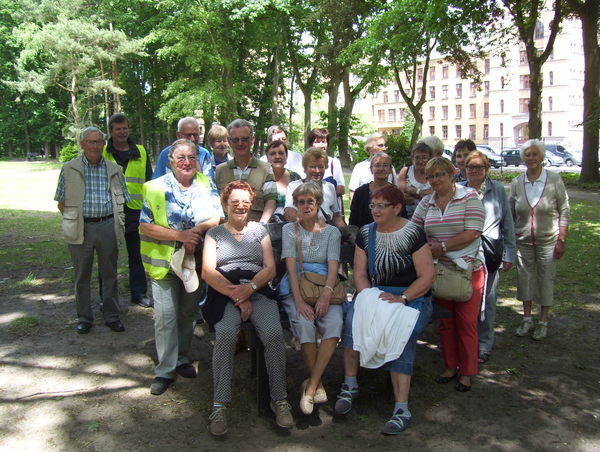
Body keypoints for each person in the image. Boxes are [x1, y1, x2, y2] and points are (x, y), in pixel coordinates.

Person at [335, 186, 435, 435]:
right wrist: (369, 298)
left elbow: (426, 276)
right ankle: (350, 386)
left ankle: (402, 409)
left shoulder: (413, 233)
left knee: (400, 330)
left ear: (398, 208)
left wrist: (402, 298)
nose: (375, 210)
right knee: (351, 322)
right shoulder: (366, 234)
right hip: (374, 293)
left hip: (411, 295)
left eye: (381, 205)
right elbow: (359, 273)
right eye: (373, 205)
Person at [201, 181, 293, 435]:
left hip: (258, 290)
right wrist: (238, 295)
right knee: (227, 335)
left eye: (245, 202)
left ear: (251, 204)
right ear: (226, 203)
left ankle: (279, 399)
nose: (240, 206)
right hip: (225, 294)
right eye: (235, 201)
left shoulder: (259, 231)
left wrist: (249, 289)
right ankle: (219, 404)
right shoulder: (215, 234)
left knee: (273, 334)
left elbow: (270, 269)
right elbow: (208, 272)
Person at [139, 139, 222, 396]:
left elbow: (217, 216)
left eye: (191, 157)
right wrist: (180, 236)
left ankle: (182, 359)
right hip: (163, 265)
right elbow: (145, 225)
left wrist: (195, 232)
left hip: (194, 263)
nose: (187, 162)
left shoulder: (206, 183)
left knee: (187, 314)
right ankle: (164, 370)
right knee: (165, 318)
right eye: (181, 158)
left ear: (197, 160)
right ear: (171, 161)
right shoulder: (153, 188)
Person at [411, 157, 485, 392]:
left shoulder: (469, 196)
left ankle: (467, 372)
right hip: (439, 270)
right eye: (430, 176)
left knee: (466, 323)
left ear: (452, 174)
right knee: (445, 322)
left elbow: (473, 232)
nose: (434, 180)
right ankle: (450, 367)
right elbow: (414, 231)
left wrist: (442, 247)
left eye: (439, 174)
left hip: (468, 270)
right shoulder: (426, 202)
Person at [54, 127, 130, 334]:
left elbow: (124, 199)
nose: (95, 146)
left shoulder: (115, 169)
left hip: (107, 225)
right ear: (82, 144)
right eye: (90, 142)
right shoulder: (69, 168)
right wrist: (74, 220)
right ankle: (84, 318)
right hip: (81, 226)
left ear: (104, 144)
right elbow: (61, 201)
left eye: (99, 142)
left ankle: (112, 316)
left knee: (110, 274)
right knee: (82, 275)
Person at [279, 181, 343, 415]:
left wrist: (326, 293)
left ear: (318, 203)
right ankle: (318, 385)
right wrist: (298, 301)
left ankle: (311, 386)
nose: (306, 206)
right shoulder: (289, 230)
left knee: (334, 324)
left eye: (310, 201)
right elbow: (290, 266)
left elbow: (334, 265)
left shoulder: (332, 232)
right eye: (301, 202)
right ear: (295, 204)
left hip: (327, 287)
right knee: (304, 323)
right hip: (297, 286)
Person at [509, 139, 569, 341]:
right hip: (523, 240)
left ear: (542, 157)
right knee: (524, 280)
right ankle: (526, 319)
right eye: (527, 154)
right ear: (523, 157)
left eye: (535, 154)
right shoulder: (518, 182)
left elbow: (564, 210)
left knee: (545, 280)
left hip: (549, 240)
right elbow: (510, 212)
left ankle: (542, 321)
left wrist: (561, 239)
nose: (531, 158)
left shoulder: (554, 180)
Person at [461, 150, 516, 363]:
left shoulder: (498, 189)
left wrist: (509, 253)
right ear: (465, 169)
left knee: (489, 300)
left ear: (486, 169)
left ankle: (484, 344)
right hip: (465, 252)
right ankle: (467, 342)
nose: (474, 171)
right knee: (466, 298)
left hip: (490, 252)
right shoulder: (459, 190)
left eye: (479, 167)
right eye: (471, 167)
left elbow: (507, 223)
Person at [103, 113, 153, 308]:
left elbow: (148, 181)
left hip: (135, 211)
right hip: (109, 210)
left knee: (136, 255)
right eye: (118, 129)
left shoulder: (140, 151)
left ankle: (139, 294)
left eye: (125, 128)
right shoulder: (104, 151)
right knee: (108, 258)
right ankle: (106, 298)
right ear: (111, 131)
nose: (122, 132)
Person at [214, 119, 278, 223]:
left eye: (244, 139)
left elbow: (271, 202)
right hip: (226, 232)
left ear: (252, 140)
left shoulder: (265, 169)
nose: (240, 143)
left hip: (255, 230)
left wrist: (261, 226)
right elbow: (214, 204)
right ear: (229, 142)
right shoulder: (219, 170)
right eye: (235, 140)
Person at [284, 148, 346, 228]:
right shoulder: (294, 186)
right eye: (312, 167)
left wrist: (346, 233)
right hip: (302, 231)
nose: (317, 171)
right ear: (305, 168)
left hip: (327, 232)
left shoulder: (330, 187)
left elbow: (336, 217)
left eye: (321, 167)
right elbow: (290, 214)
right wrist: (315, 227)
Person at [349, 152, 395, 229]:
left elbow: (402, 218)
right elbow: (353, 220)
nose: (381, 169)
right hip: (364, 236)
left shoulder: (397, 193)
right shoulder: (360, 192)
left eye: (385, 165)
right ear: (371, 169)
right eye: (377, 165)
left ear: (390, 170)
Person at [349, 132, 396, 202]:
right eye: (380, 145)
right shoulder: (360, 167)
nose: (384, 148)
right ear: (369, 149)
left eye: (385, 145)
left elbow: (396, 191)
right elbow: (352, 193)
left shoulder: (390, 168)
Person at [265, 140, 301, 221]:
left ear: (286, 156)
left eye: (281, 153)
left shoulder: (295, 178)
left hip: (292, 225)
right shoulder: (262, 178)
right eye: (273, 154)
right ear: (267, 157)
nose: (277, 156)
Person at [397, 143, 434, 219]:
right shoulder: (405, 172)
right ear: (412, 158)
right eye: (417, 158)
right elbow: (400, 196)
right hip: (409, 218)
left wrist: (416, 191)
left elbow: (437, 195)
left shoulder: (435, 172)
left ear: (430, 158)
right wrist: (425, 196)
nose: (421, 161)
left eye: (424, 158)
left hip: (432, 216)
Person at [308, 128, 345, 200]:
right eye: (317, 142)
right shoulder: (302, 163)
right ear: (311, 144)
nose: (321, 145)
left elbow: (341, 189)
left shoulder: (334, 162)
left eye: (323, 142)